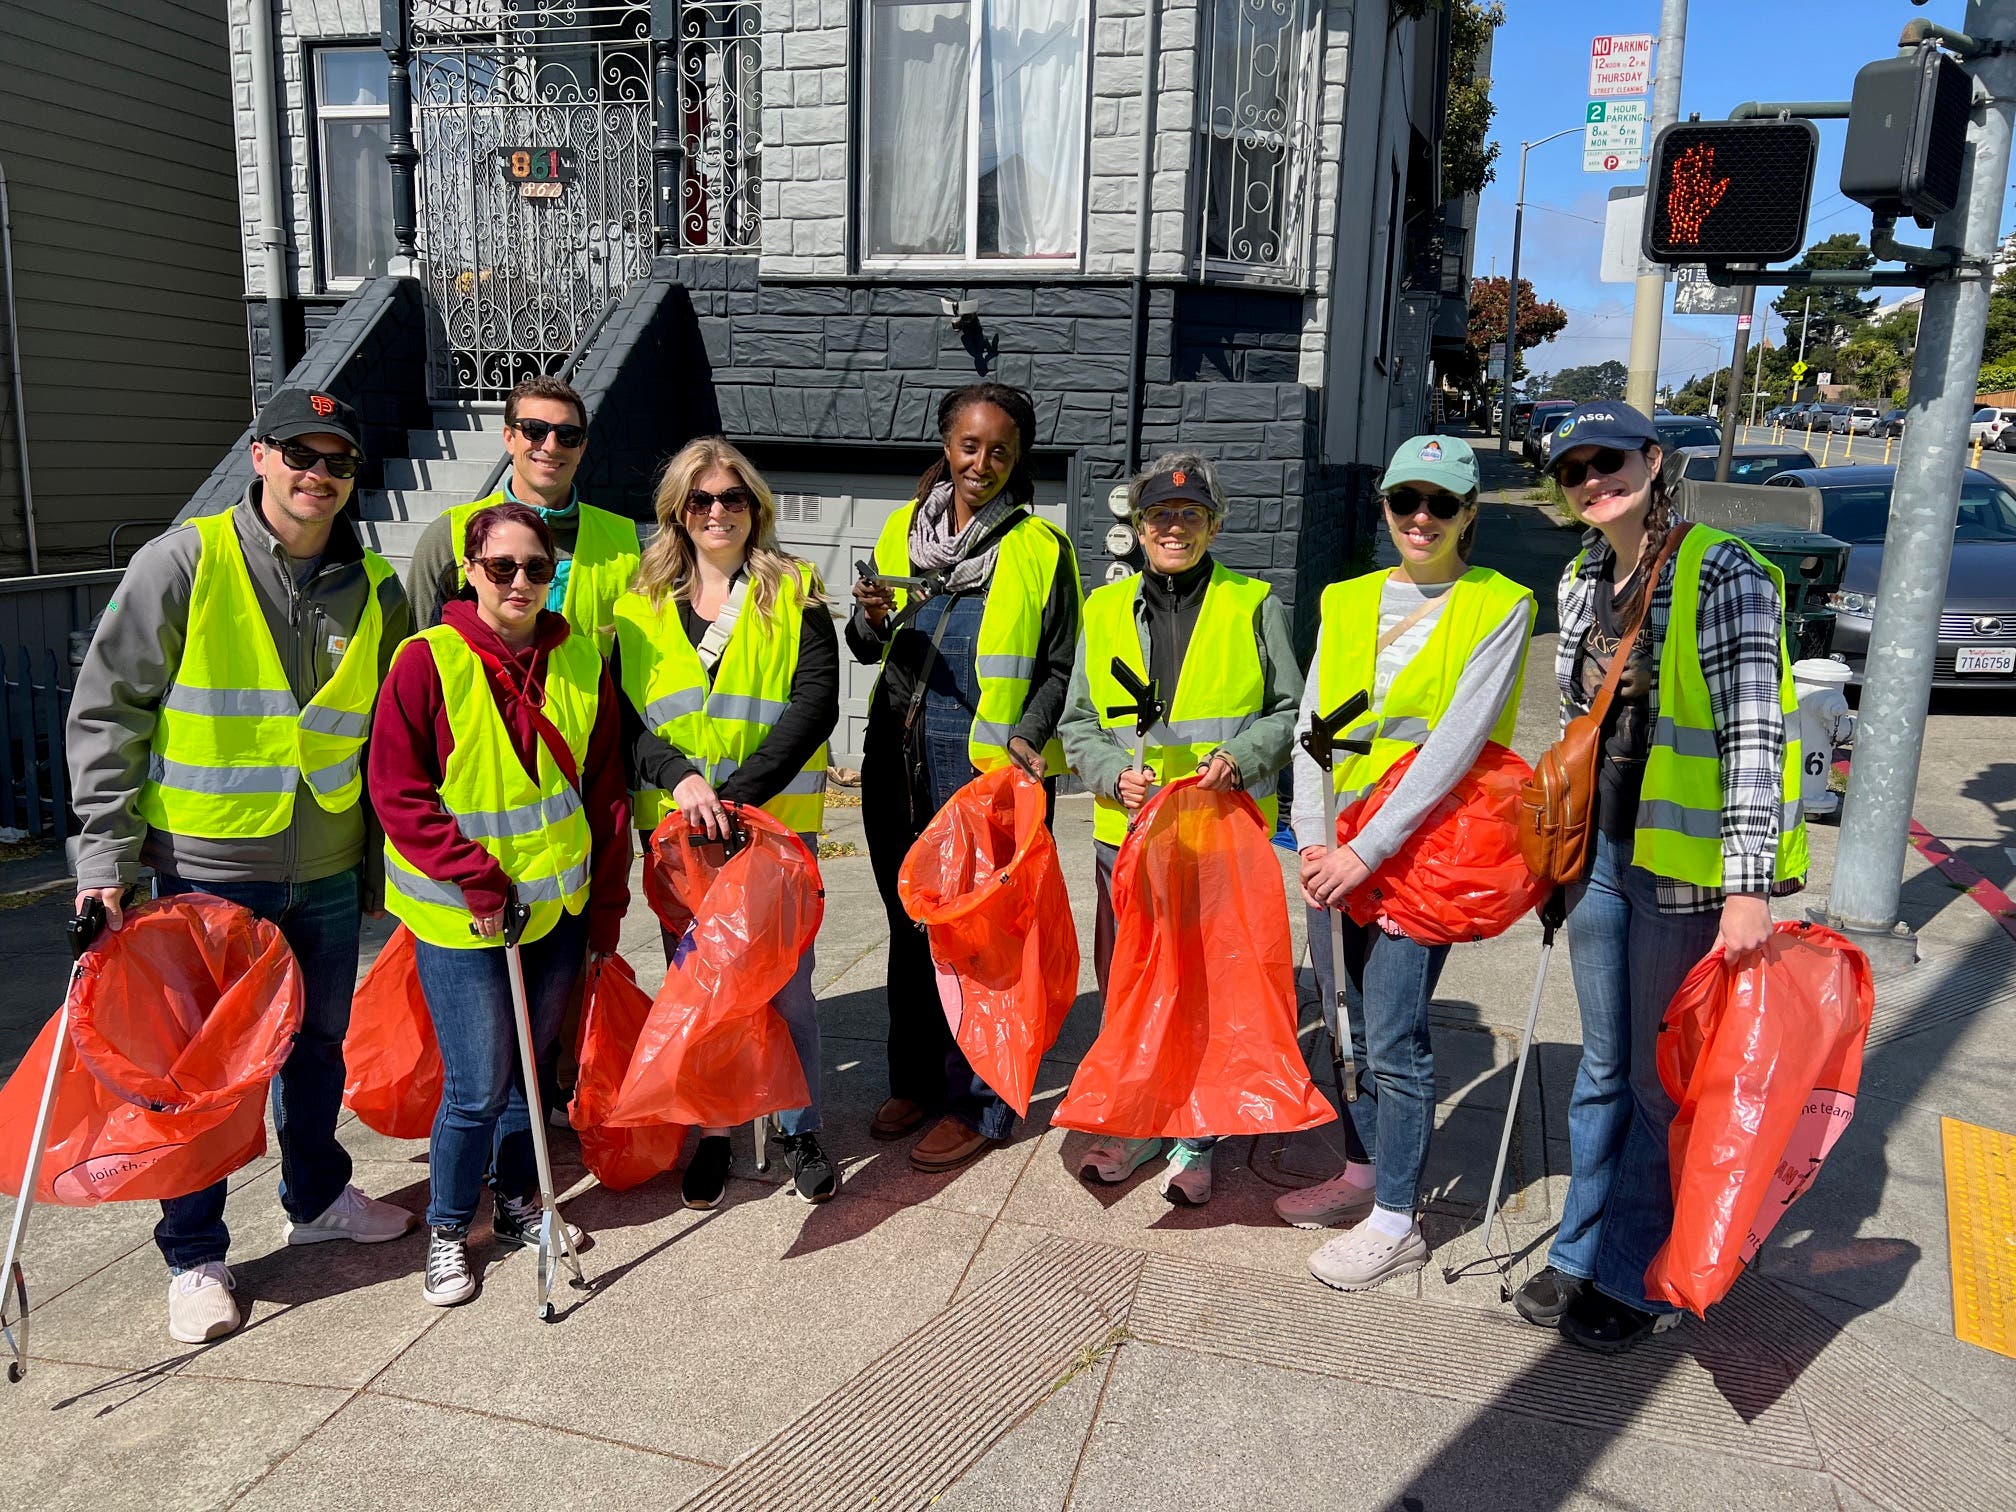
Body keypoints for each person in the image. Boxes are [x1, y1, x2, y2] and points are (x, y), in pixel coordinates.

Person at [67, 388, 416, 1344]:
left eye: (337, 461)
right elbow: (109, 712)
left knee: (317, 1048)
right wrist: (103, 857)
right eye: (298, 454)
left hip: (331, 866)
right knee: (202, 1073)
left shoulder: (373, 589)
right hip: (208, 871)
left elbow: (388, 734)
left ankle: (316, 1199)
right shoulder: (182, 562)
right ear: (259, 458)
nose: (318, 475)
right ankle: (194, 1253)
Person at [1513, 402, 1806, 1352]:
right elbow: (1575, 728)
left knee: (1653, 1079)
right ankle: (1577, 1251)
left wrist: (1750, 884)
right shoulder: (1578, 579)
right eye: (1574, 470)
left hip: (1682, 875)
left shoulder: (1720, 570)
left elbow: (1756, 731)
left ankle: (1637, 1273)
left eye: (1610, 461)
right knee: (1601, 1069)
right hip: (1596, 856)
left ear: (1654, 460)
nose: (1594, 480)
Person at [1272, 433, 1535, 1292]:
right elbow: (1314, 728)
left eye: (1442, 505)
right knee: (1343, 1023)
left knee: (1394, 1034)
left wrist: (1361, 852)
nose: (1421, 520)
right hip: (1333, 847)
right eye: (1405, 502)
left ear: (1469, 514)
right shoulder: (1346, 600)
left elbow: (1454, 749)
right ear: (1385, 506)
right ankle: (1362, 1173)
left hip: (1423, 855)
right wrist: (1313, 839)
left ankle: (1397, 1219)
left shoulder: (1499, 604)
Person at [369, 501, 631, 1307]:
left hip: (558, 909)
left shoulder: (581, 658)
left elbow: (607, 794)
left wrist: (608, 905)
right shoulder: (427, 661)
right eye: (501, 568)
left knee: (530, 1075)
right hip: (462, 917)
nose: (521, 583)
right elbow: (397, 791)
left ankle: (522, 1202)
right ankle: (450, 1229)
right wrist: (476, 879)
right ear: (470, 574)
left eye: (537, 569)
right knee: (477, 1085)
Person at [847, 382, 1081, 1173]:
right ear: (947, 445)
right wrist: (869, 618)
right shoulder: (900, 530)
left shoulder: (1040, 547)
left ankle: (978, 1103)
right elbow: (866, 644)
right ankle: (913, 1078)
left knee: (976, 941)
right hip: (893, 759)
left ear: (1019, 459)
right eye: (969, 445)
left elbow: (1055, 665)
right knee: (908, 926)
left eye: (1000, 450)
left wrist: (1027, 737)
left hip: (976, 770)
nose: (982, 462)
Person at [1057, 454, 1302, 1205]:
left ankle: (1197, 1135)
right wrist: (1109, 774)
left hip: (1217, 833)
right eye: (1159, 516)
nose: (1173, 527)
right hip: (1127, 838)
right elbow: (1077, 723)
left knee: (1210, 987)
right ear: (1137, 528)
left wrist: (1243, 756)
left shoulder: (1256, 604)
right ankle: (1139, 1120)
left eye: (1190, 515)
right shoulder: (1101, 612)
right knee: (1132, 987)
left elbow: (1290, 712)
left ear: (1214, 525)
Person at [614, 437, 840, 1208]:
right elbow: (625, 722)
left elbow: (816, 703)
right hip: (682, 836)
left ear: (755, 508)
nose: (718, 512)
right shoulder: (637, 608)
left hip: (771, 827)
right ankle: (712, 1129)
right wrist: (682, 783)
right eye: (702, 499)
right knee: (700, 985)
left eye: (732, 498)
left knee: (788, 988)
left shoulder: (795, 589)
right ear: (678, 509)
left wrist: (736, 796)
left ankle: (798, 1128)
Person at [404, 374, 642, 653]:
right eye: (534, 430)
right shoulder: (449, 535)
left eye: (567, 435)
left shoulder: (627, 543)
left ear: (582, 448)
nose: (551, 446)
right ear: (509, 438)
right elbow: (418, 656)